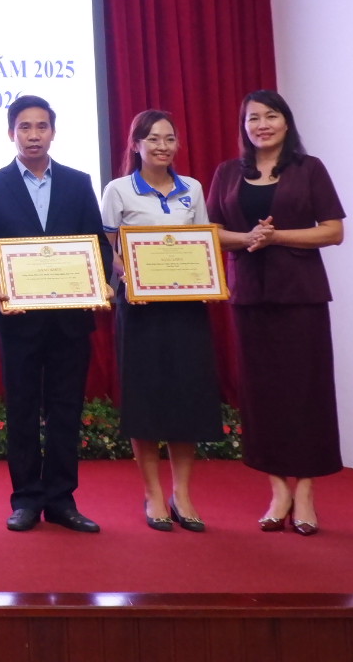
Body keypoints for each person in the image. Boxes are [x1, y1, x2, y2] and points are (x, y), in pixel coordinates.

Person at [0, 94, 112, 533]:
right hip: (19, 320)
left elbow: (97, 244)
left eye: (41, 126)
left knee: (66, 410)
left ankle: (62, 501)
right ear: (11, 133)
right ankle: (26, 500)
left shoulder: (77, 182)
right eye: (25, 127)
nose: (33, 135)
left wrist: (100, 279)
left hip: (70, 320)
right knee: (23, 410)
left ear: (53, 131)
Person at [207, 89, 345, 536]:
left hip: (301, 296)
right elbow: (212, 233)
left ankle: (305, 494)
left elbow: (333, 231)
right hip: (250, 297)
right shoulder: (228, 173)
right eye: (253, 118)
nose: (262, 125)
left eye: (270, 116)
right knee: (262, 396)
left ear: (286, 122)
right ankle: (278, 491)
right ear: (243, 126)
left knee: (306, 394)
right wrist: (248, 237)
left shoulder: (309, 169)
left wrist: (277, 236)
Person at [99, 110, 222, 533]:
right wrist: (127, 273)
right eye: (153, 139)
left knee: (187, 397)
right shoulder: (118, 190)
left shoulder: (193, 188)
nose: (162, 146)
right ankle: (153, 492)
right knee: (146, 398)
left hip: (186, 308)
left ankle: (182, 493)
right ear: (136, 145)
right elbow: (109, 249)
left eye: (169, 138)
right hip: (140, 309)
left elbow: (202, 243)